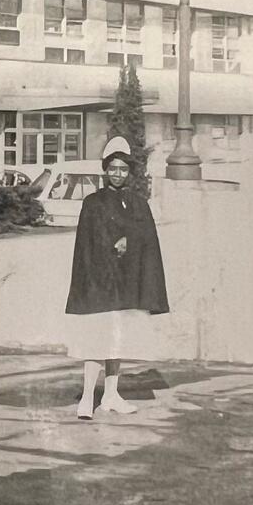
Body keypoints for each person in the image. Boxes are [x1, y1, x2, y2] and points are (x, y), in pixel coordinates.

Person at [64, 136, 170, 420]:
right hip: (101, 283)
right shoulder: (93, 203)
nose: (118, 174)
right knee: (96, 340)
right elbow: (88, 243)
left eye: (123, 169)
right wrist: (113, 243)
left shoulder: (138, 204)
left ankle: (110, 395)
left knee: (118, 340)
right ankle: (87, 397)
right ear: (105, 170)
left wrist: (128, 241)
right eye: (113, 168)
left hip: (127, 283)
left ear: (129, 172)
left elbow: (147, 239)